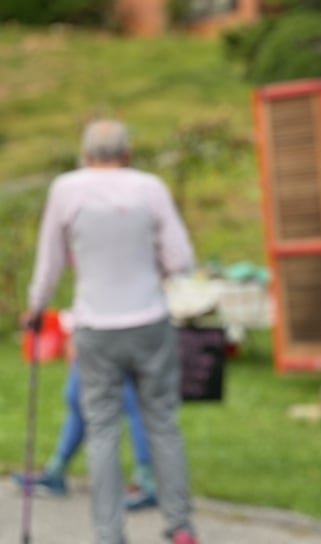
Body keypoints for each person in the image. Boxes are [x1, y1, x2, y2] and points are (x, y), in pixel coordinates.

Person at [24, 118, 199, 544]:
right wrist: (149, 268)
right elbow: (181, 260)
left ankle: (109, 534)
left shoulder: (67, 189)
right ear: (128, 154)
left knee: (102, 428)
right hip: (149, 323)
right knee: (163, 423)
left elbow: (49, 262)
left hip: (96, 328)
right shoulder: (150, 187)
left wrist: (35, 308)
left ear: (85, 156)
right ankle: (179, 526)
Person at [13, 351, 158, 510]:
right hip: (93, 335)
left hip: (124, 334)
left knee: (132, 400)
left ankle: (146, 481)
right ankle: (56, 471)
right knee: (77, 395)